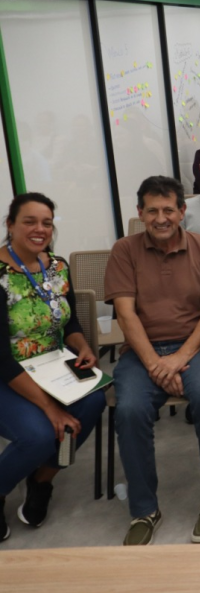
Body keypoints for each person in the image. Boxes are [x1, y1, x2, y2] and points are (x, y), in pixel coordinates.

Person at [106, 176, 200, 546]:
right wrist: (156, 365)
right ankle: (144, 509)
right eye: (152, 211)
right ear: (140, 212)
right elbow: (126, 315)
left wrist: (177, 359)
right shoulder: (124, 250)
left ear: (182, 211)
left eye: (168, 210)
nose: (161, 218)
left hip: (195, 348)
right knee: (129, 410)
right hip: (141, 351)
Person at [0, 193, 105, 544]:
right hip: (7, 374)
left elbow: (69, 322)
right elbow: (1, 359)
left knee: (94, 401)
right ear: (10, 224)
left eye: (46, 223)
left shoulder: (57, 266)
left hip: (51, 366)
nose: (40, 229)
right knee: (40, 434)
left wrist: (82, 346)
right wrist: (50, 408)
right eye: (29, 221)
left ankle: (42, 479)